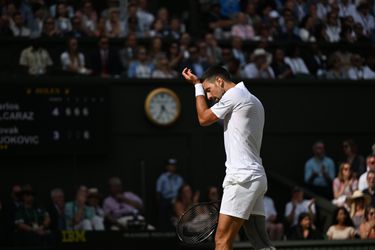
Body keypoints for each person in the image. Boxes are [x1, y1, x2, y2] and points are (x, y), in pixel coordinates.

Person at [182, 66, 275, 250]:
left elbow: (203, 118)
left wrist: (197, 86)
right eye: (205, 92)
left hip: (242, 178)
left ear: (219, 81)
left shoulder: (235, 95)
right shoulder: (252, 99)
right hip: (255, 178)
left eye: (209, 90)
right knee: (261, 242)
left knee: (222, 240)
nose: (208, 97)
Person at [156, 158, 184, 231]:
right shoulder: (162, 178)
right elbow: (158, 192)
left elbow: (182, 190)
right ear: (166, 167)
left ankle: (181, 228)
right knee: (163, 209)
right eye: (170, 165)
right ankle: (163, 229)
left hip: (177, 200)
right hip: (166, 200)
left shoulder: (179, 178)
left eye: (173, 165)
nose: (172, 167)